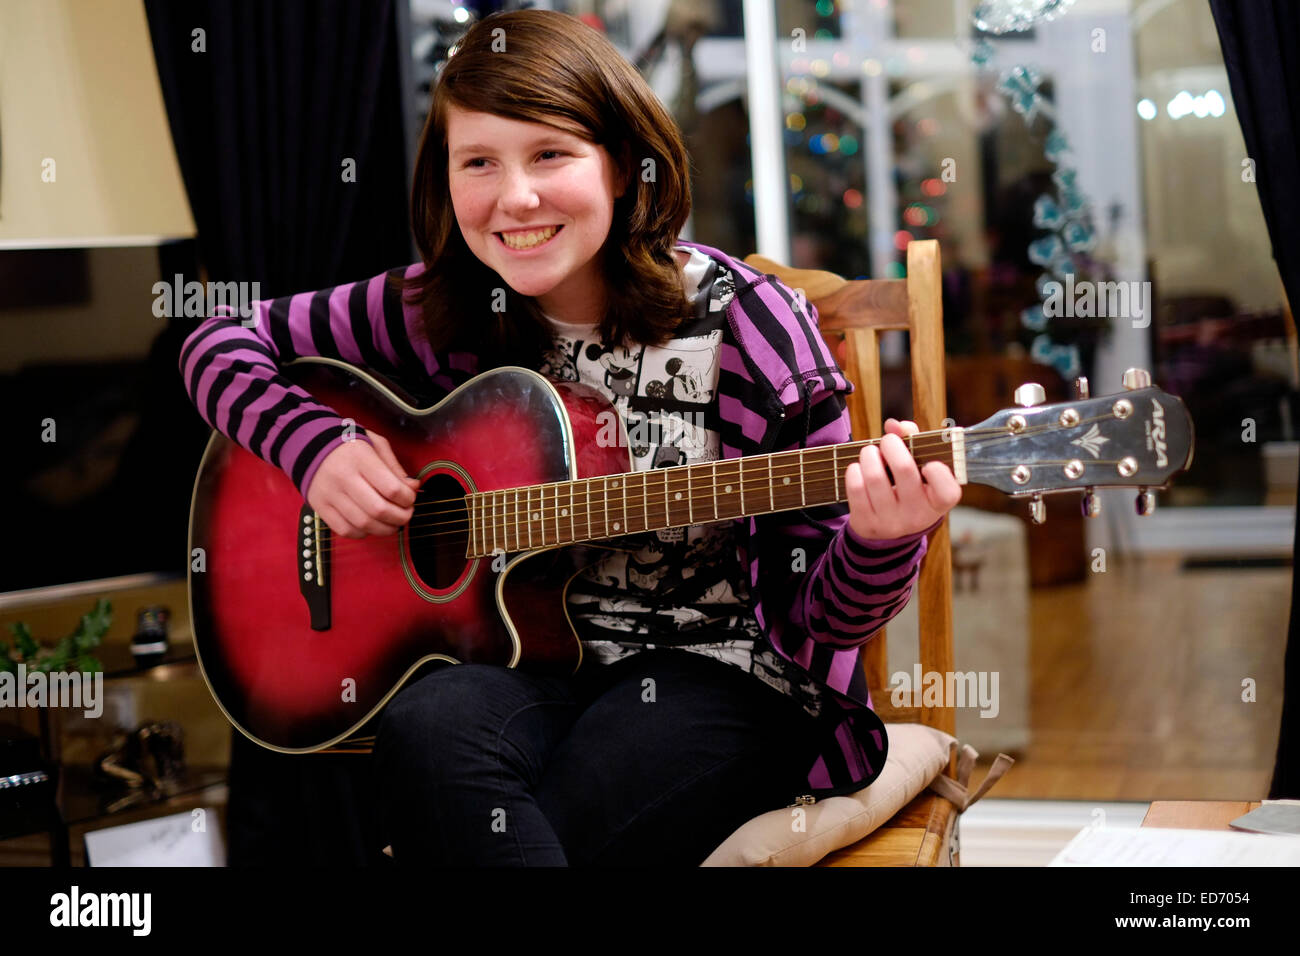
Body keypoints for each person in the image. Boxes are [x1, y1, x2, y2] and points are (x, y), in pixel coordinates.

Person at [179, 8, 961, 866]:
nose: (515, 198)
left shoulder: (755, 333)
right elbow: (217, 340)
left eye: (550, 154)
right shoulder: (444, 307)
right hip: (536, 662)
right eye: (479, 163)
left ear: (625, 165)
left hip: (728, 674)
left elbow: (823, 614)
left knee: (544, 819)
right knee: (423, 731)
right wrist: (314, 445)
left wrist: (884, 541)